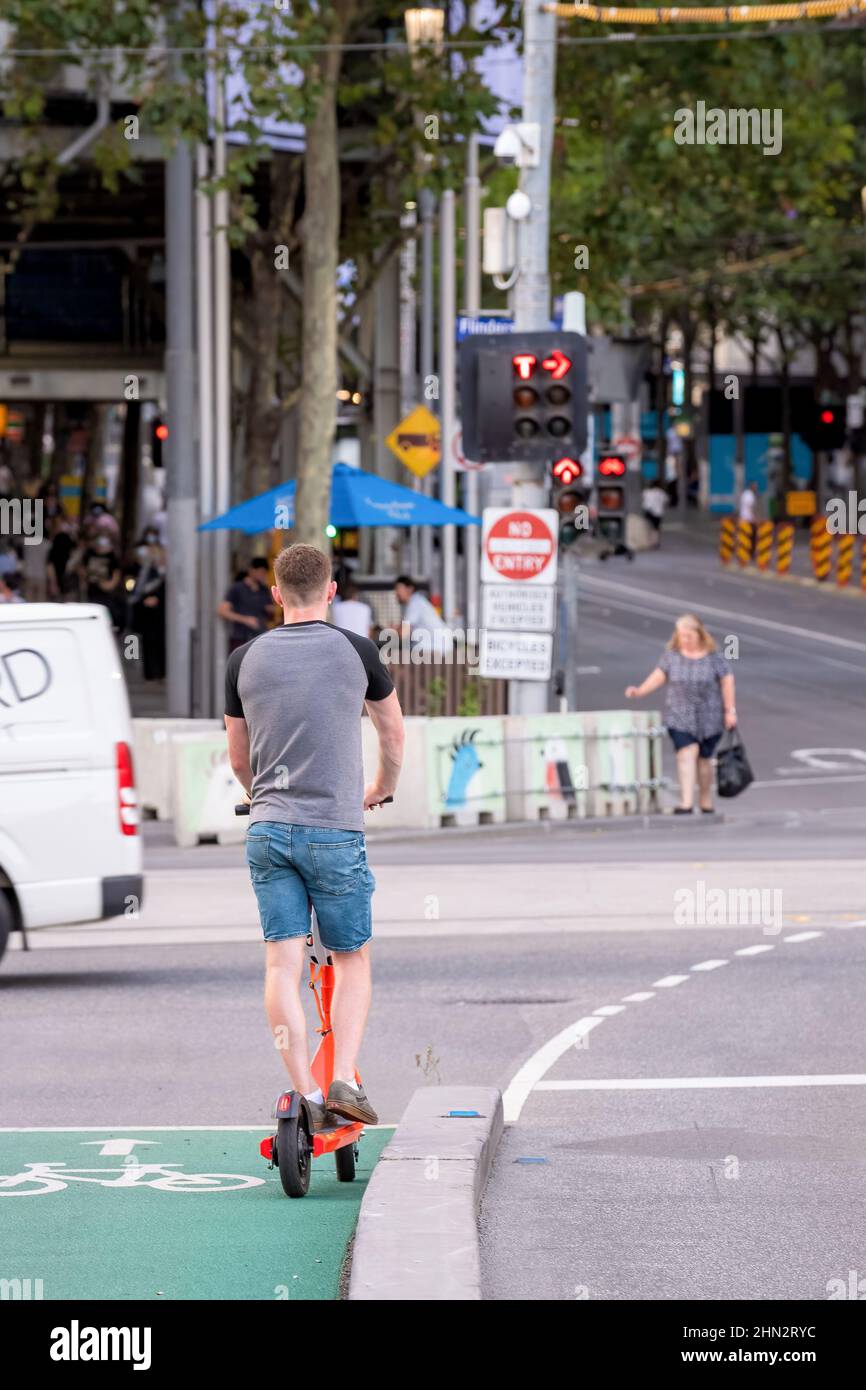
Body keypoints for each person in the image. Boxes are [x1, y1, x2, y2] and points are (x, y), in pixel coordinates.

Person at [224, 543, 404, 1131]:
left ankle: (301, 1091)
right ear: (332, 591)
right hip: (334, 831)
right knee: (351, 957)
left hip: (269, 830)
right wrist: (378, 787)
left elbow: (238, 758)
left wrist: (263, 795)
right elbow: (392, 734)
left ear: (275, 595)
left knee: (281, 962)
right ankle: (344, 1080)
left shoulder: (243, 659)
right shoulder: (357, 651)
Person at [625, 613, 737, 815]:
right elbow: (658, 676)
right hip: (679, 714)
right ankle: (686, 802)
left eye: (688, 636)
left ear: (699, 634)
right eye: (681, 636)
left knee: (704, 759)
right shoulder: (672, 657)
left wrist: (730, 710)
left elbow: (727, 681)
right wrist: (640, 691)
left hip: (709, 716)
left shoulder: (715, 657)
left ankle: (705, 799)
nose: (684, 640)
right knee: (686, 753)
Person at [128, 528, 167, 681]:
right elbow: (135, 586)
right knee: (147, 642)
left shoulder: (163, 573)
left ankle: (161, 672)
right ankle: (150, 673)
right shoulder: (143, 569)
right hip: (145, 610)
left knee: (160, 642)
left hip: (160, 611)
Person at [218, 557, 275, 653]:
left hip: (259, 637)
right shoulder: (237, 588)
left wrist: (271, 610)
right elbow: (222, 611)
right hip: (240, 638)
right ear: (252, 570)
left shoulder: (264, 590)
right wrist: (245, 620)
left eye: (264, 573)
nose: (263, 576)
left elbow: (270, 612)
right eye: (261, 572)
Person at [394, 574, 452, 659]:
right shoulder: (417, 601)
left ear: (409, 589)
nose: (396, 593)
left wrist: (394, 630)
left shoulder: (415, 603)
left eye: (398, 589)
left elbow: (404, 634)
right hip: (439, 649)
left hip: (435, 650)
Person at [77, 531, 123, 627]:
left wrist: (110, 585)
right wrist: (84, 580)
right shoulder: (89, 553)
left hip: (106, 592)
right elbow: (82, 569)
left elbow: (116, 573)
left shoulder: (112, 556)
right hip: (91, 591)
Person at [642, 480, 668, 548]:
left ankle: (648, 542)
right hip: (658, 512)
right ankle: (655, 542)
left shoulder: (647, 492)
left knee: (648, 527)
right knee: (656, 528)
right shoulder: (662, 493)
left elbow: (644, 500)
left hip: (648, 511)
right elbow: (665, 502)